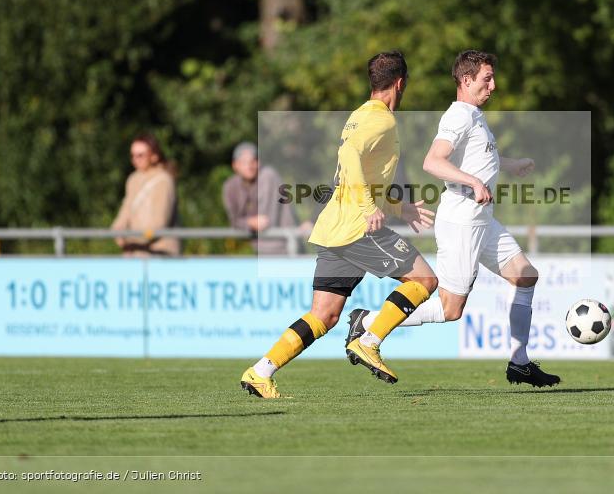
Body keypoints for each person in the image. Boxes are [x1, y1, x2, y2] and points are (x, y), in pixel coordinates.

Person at [346, 50, 561, 388]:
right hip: (462, 218)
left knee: (525, 275)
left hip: (482, 218)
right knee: (450, 310)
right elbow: (433, 162)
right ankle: (369, 322)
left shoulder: (475, 115)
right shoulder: (459, 116)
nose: (494, 85)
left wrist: (510, 164)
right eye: (487, 79)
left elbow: (478, 158)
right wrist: (473, 182)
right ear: (466, 80)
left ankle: (519, 364)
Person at [240, 51, 438, 399]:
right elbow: (350, 161)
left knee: (324, 315)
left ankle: (260, 370)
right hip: (357, 229)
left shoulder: (358, 115)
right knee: (424, 279)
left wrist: (397, 207)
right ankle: (370, 341)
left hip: (334, 228)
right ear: (401, 83)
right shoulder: (383, 120)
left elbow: (353, 175)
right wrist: (368, 209)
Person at [222, 142, 311, 255]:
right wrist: (250, 223)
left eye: (253, 161)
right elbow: (234, 221)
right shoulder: (230, 186)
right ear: (235, 165)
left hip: (287, 249)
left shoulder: (268, 176)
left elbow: (266, 222)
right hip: (261, 251)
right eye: (244, 162)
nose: (249, 166)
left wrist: (247, 223)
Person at [111, 133, 180, 256]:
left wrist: (132, 238)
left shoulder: (163, 181)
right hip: (134, 254)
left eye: (140, 155)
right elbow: (126, 210)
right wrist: (117, 230)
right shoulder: (133, 179)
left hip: (159, 254)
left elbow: (160, 222)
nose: (135, 159)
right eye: (133, 155)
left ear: (154, 156)